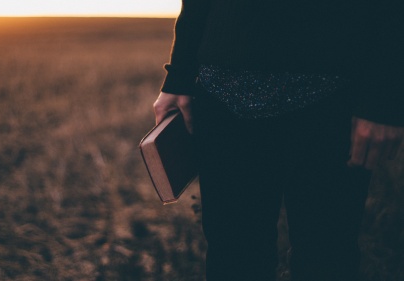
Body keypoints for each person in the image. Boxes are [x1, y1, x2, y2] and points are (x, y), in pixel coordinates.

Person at [153, 1, 404, 280]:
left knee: (326, 260)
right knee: (233, 260)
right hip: (221, 98)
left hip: (331, 102)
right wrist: (179, 76)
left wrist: (384, 97)